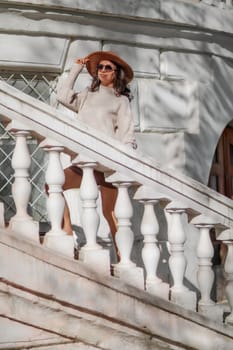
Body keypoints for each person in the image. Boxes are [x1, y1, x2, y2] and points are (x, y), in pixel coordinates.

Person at [56, 51, 137, 254]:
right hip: (84, 163)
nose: (102, 71)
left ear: (116, 73)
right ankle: (66, 234)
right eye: (100, 67)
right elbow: (62, 96)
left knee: (110, 214)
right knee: (53, 185)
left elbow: (126, 135)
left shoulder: (121, 101)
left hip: (107, 166)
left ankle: (123, 259)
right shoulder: (86, 95)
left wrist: (123, 161)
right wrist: (76, 68)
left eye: (107, 68)